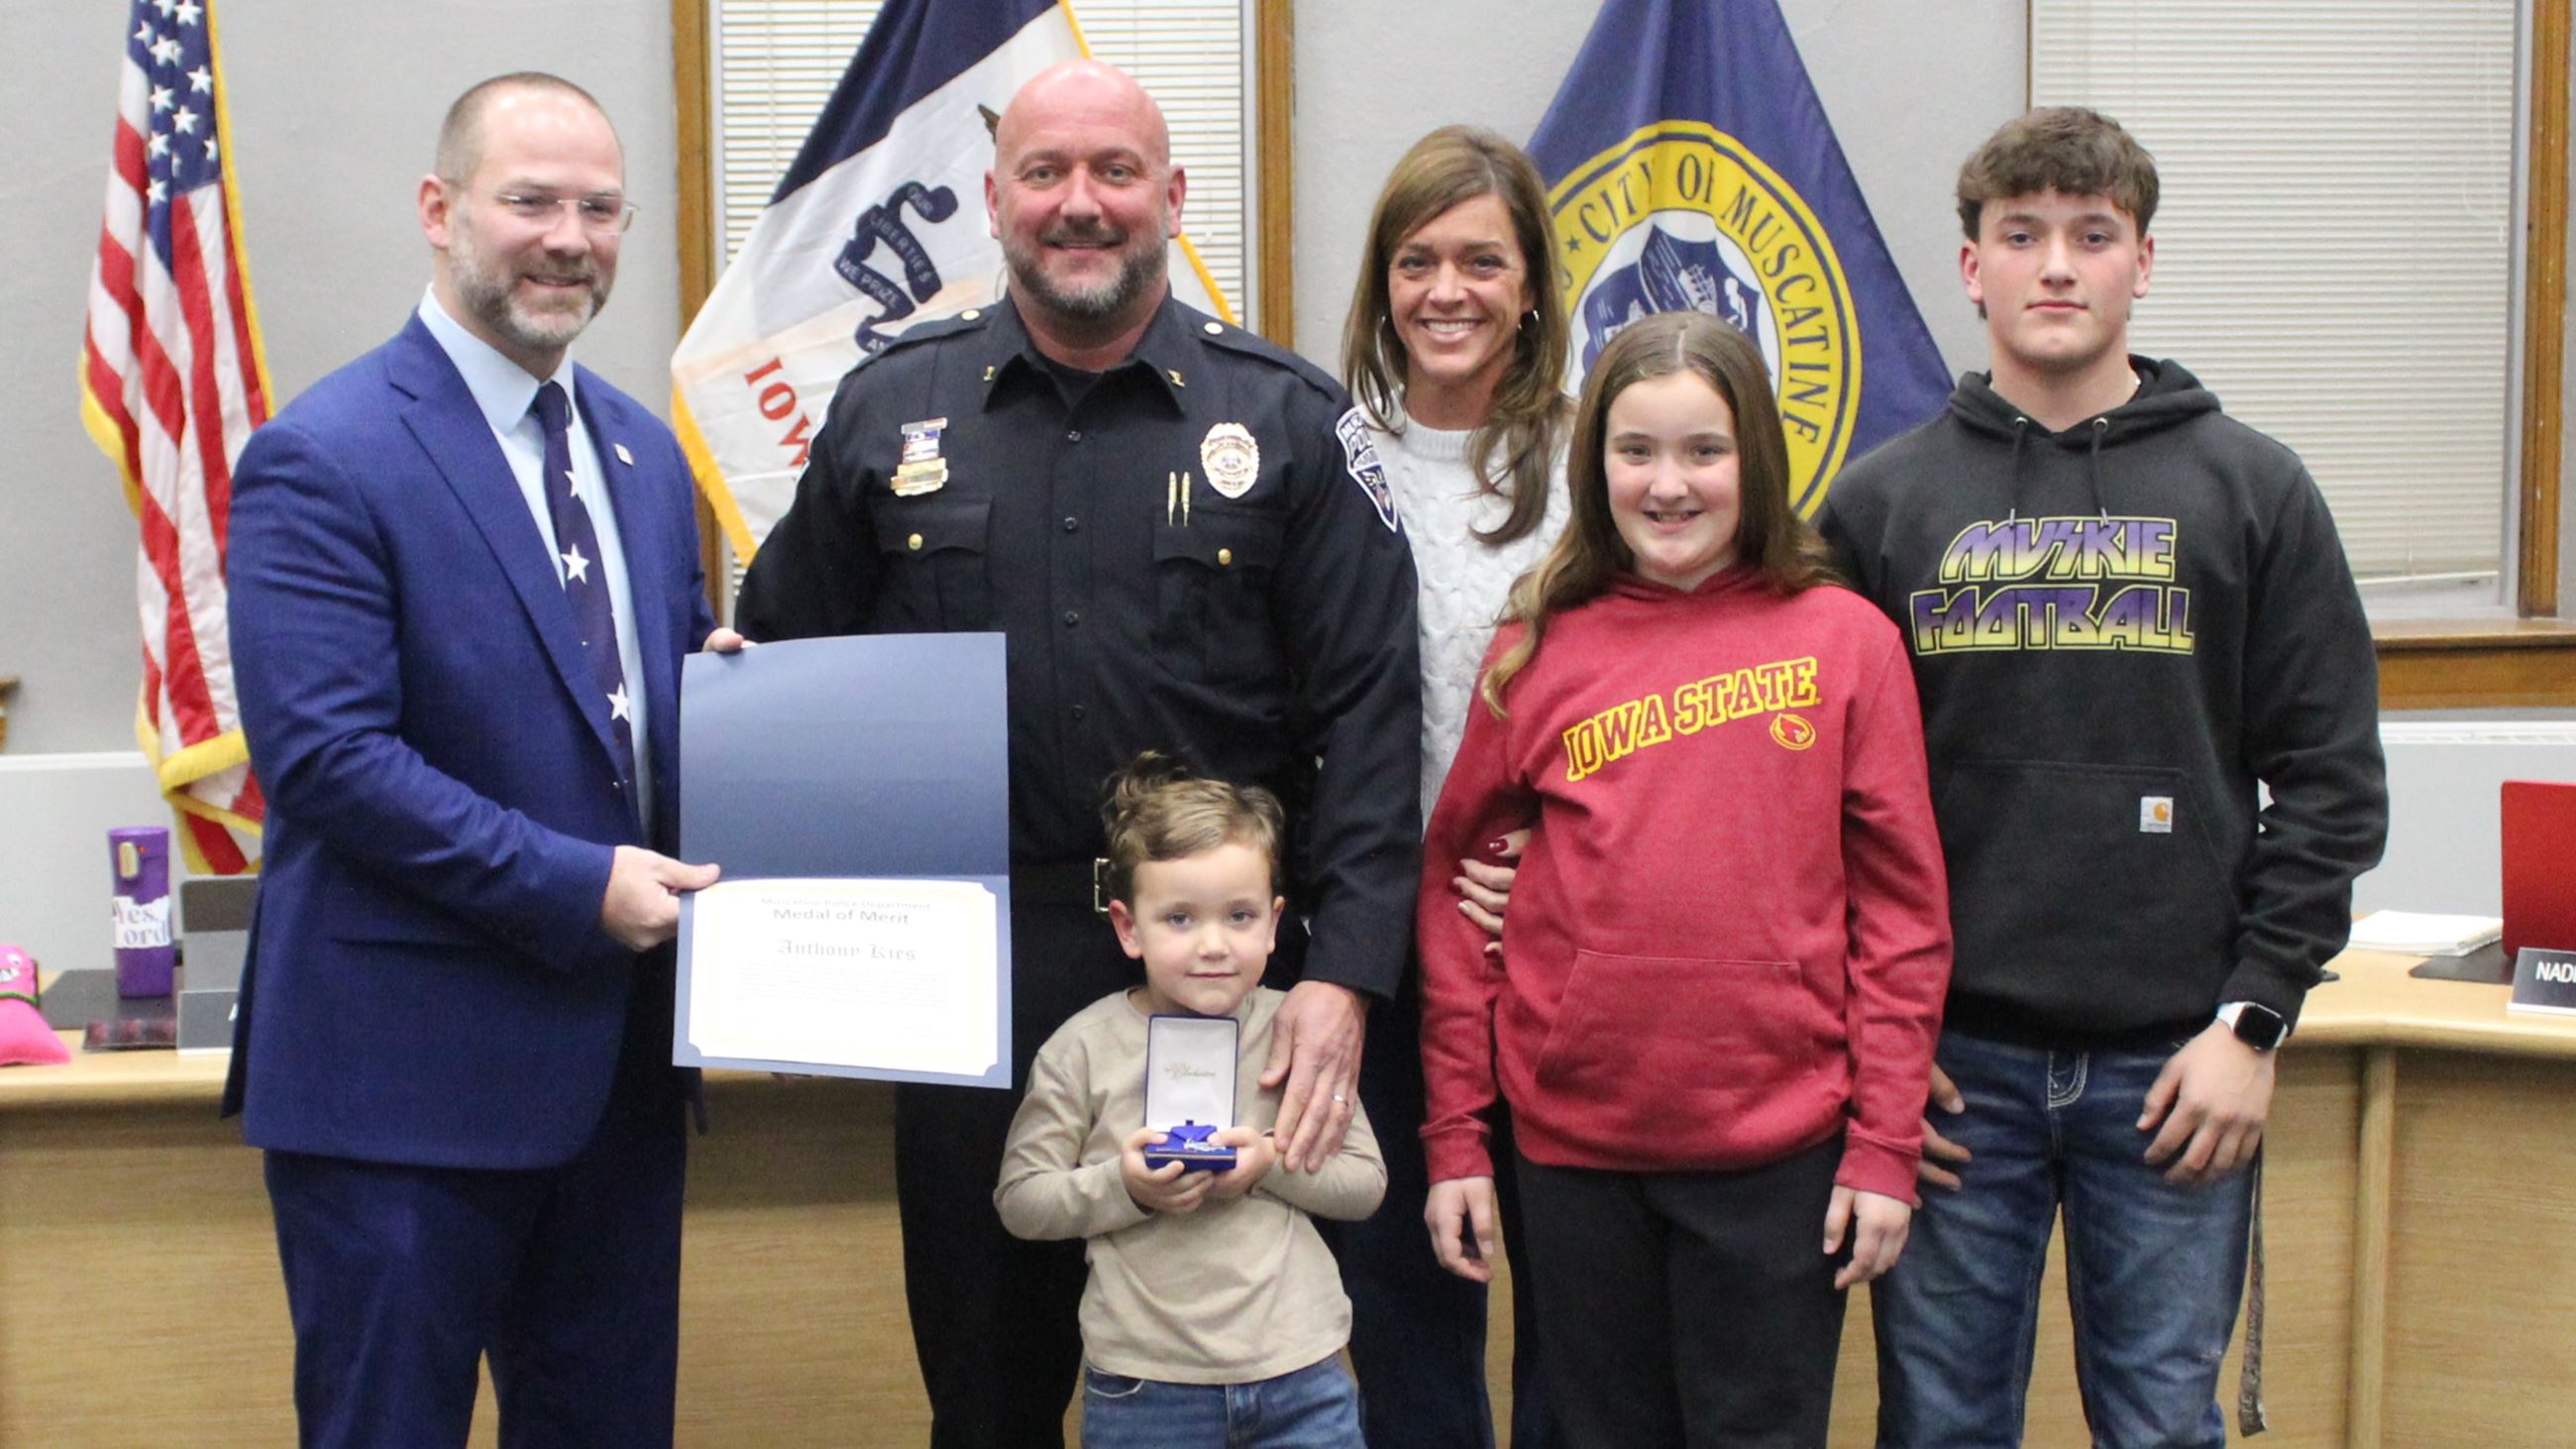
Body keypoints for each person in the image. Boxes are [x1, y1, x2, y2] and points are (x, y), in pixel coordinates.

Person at [734, 59, 1420, 1448]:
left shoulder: (1284, 420)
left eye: (1116, 173)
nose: (1080, 204)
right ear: (995, 199)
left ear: (1172, 197)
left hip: (1229, 971)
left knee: (1234, 1363)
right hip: (967, 973)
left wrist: (1343, 973)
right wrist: (785, 952)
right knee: (985, 1381)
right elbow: (784, 666)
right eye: (1046, 173)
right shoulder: (888, 414)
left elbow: (1371, 716)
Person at [1816, 107, 2390, 1447]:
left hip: (2179, 1070)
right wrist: (1876, 1043)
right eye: (2022, 236)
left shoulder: (2254, 489)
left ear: (2144, 260)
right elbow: (1816, 805)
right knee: (1942, 1423)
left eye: (2091, 235)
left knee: (2157, 1424)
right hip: (1956, 1075)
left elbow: (2332, 785)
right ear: (1972, 268)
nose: (2056, 266)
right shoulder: (1879, 507)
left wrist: (2255, 1023)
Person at [222, 73, 740, 1447]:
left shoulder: (637, 452)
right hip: (402, 1093)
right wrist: (580, 887)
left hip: (620, 1083)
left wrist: (743, 713)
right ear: (441, 210)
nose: (569, 236)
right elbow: (327, 759)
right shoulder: (322, 456)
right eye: (530, 201)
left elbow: (640, 722)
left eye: (597, 207)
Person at [1418, 310, 1954, 1447]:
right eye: (1635, 451)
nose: (1668, 484)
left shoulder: (1845, 640)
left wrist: (1883, 1145)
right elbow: (1459, 897)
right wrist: (1456, 1135)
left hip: (1778, 1155)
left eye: (1702, 451)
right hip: (1571, 1156)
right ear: (1592, 462)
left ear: (1751, 457)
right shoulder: (1532, 649)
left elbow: (1902, 919)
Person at [1337, 124, 1570, 1449]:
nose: (1449, 290)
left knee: (1578, 1324)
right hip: (1379, 955)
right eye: (1417, 260)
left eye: (1483, 260)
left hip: (1554, 952)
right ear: (1382, 283)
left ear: (1532, 283)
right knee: (1407, 1320)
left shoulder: (1602, 462)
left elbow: (1666, 708)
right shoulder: (1331, 461)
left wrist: (1574, 852)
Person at [995, 754, 1386, 1448]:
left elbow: (1366, 1184)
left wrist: (1270, 1162)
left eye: (1239, 916)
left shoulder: (1298, 1032)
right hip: (1145, 1390)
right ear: (1127, 927)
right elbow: (1022, 1199)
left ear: (1274, 923)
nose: (1213, 945)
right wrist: (1125, 1186)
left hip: (1302, 1376)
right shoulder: (1081, 1048)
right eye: (1178, 918)